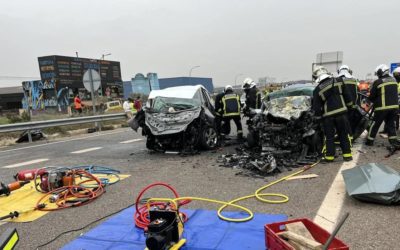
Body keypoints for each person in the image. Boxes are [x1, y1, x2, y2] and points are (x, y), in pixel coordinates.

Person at [312, 66, 353, 162]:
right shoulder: (338, 80)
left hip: (328, 117)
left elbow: (316, 108)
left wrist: (318, 118)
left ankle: (329, 157)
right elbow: (347, 96)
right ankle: (347, 156)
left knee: (329, 137)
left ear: (316, 77)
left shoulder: (317, 89)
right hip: (342, 113)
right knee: (343, 134)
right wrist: (350, 106)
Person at [366, 64, 399, 146]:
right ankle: (393, 141)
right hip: (394, 107)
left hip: (382, 108)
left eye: (378, 73)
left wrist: (371, 100)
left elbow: (372, 96)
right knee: (391, 124)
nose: (378, 74)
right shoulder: (394, 80)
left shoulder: (378, 82)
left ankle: (370, 141)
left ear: (382, 72)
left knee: (375, 124)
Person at [337, 65, 359, 138]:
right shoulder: (354, 80)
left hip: (341, 107)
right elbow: (357, 93)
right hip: (352, 106)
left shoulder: (337, 80)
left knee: (342, 124)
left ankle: (342, 138)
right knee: (350, 123)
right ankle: (350, 138)